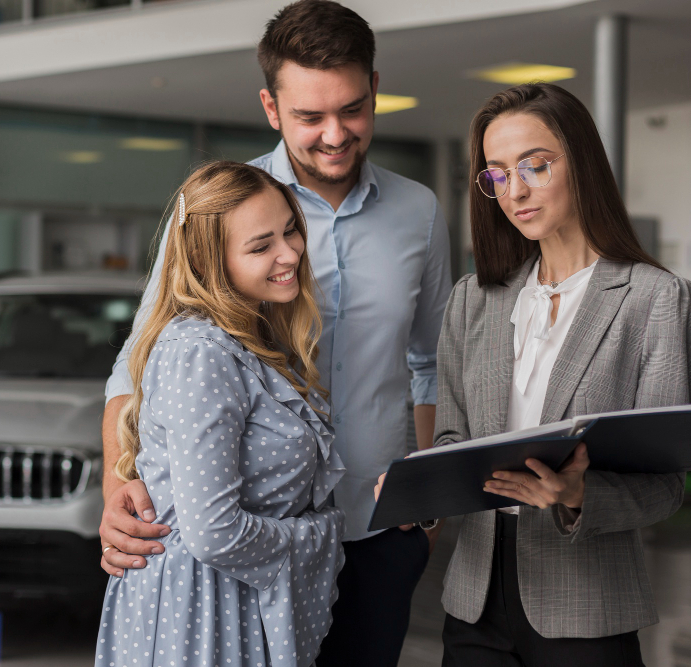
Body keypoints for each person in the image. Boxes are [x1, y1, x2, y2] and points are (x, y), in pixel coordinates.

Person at [98, 2, 453, 664]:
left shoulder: (421, 213)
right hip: (252, 541)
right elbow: (136, 367)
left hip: (379, 535)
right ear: (270, 106)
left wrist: (425, 506)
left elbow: (430, 363)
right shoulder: (221, 212)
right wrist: (117, 489)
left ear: (375, 87)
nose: (334, 133)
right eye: (309, 116)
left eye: (351, 109)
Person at [391, 82, 691, 666]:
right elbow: (456, 441)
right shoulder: (472, 300)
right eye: (497, 175)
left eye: (536, 165)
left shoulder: (656, 300)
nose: (516, 191)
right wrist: (422, 486)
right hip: (473, 604)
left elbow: (665, 486)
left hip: (588, 608)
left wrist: (579, 494)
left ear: (581, 163)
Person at [95, 161, 346, 667]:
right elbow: (213, 532)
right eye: (261, 246)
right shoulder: (201, 353)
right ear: (210, 264)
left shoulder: (246, 340)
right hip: (202, 616)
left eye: (290, 230)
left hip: (222, 601)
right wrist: (319, 535)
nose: (289, 252)